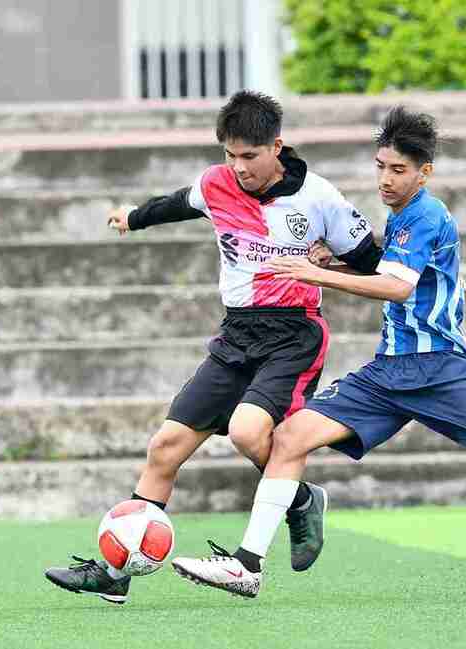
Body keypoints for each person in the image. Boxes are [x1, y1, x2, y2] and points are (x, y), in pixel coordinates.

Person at [169, 106, 466, 601]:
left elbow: (397, 288)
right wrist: (333, 259)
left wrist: (315, 273)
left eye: (398, 170)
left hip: (440, 367)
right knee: (291, 437)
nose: (385, 178)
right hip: (389, 371)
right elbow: (395, 267)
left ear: (424, 172)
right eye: (381, 166)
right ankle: (248, 565)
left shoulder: (425, 213)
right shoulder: (403, 216)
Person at [44, 90, 382, 604]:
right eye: (230, 155)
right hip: (236, 336)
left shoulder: (319, 198)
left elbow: (370, 261)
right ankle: (116, 577)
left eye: (250, 156)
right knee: (164, 448)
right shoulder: (217, 183)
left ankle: (296, 501)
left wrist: (327, 266)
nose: (239, 167)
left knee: (250, 433)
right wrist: (134, 217)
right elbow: (180, 202)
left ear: (277, 147)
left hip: (293, 335)